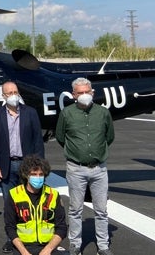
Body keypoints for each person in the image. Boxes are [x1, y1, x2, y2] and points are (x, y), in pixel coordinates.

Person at [56, 77, 115, 255]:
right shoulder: (66, 113)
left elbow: (109, 137)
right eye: (80, 93)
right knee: (75, 210)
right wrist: (76, 152)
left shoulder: (103, 113)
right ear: (73, 95)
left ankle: (103, 246)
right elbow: (60, 137)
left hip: (99, 169)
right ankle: (75, 245)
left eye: (86, 92)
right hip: (76, 168)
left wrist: (97, 152)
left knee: (101, 210)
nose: (84, 95)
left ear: (92, 93)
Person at [0, 80, 45, 253]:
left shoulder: (30, 113)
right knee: (10, 204)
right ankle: (11, 240)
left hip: (26, 165)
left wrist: (38, 166)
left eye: (15, 92)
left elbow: (38, 140)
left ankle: (31, 238)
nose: (13, 95)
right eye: (9, 93)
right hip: (6, 165)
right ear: (3, 96)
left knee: (30, 203)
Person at [4, 155, 68, 255]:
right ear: (26, 175)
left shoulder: (53, 195)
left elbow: (62, 228)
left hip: (48, 246)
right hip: (23, 246)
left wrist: (47, 250)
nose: (38, 177)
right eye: (34, 174)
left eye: (41, 174)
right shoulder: (14, 195)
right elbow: (10, 227)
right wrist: (24, 252)